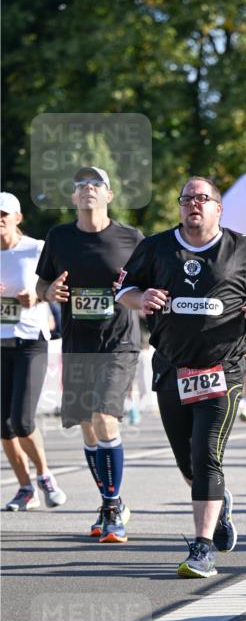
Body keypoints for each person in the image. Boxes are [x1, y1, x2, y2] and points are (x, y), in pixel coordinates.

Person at [116, 175, 246, 578]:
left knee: (206, 452)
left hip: (223, 370)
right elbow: (122, 291)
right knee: (188, 462)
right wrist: (139, 298)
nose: (193, 204)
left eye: (202, 198)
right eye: (186, 198)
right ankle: (219, 502)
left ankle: (202, 548)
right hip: (173, 368)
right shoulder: (156, 247)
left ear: (218, 207)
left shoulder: (245, 250)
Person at [36, 167, 143, 541]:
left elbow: (151, 283)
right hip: (77, 342)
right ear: (73, 198)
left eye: (96, 185)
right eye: (81, 186)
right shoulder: (59, 237)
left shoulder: (131, 238)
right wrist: (50, 294)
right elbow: (42, 283)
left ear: (109, 196)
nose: (88, 190)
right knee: (87, 426)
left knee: (103, 416)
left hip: (119, 342)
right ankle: (109, 499)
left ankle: (113, 510)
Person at [1, 191, 66, 511]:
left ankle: (45, 475)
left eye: (4, 215)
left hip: (30, 341)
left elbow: (57, 289)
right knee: (3, 425)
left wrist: (37, 297)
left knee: (22, 420)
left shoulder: (37, 249)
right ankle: (25, 488)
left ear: (18, 218)